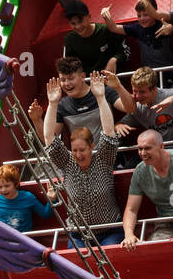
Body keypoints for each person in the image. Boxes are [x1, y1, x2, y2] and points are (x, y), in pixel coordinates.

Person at [42, 71, 124, 246]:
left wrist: (101, 98)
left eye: (82, 150)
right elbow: (49, 139)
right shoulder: (68, 164)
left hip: (110, 231)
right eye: (74, 151)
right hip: (80, 236)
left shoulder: (103, 160)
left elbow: (109, 133)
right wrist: (53, 103)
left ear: (92, 147)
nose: (78, 155)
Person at [45, 57, 132, 145]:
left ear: (83, 76)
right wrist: (37, 119)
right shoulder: (62, 105)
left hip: (108, 152)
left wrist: (118, 87)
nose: (67, 84)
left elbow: (130, 109)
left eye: (71, 78)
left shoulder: (102, 91)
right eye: (63, 80)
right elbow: (51, 139)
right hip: (80, 156)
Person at [116, 66, 173, 152]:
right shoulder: (137, 108)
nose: (137, 96)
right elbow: (119, 124)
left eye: (142, 92)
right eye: (135, 91)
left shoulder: (168, 95)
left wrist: (171, 99)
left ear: (154, 89)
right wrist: (119, 126)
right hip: (158, 152)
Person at [100, 0, 173, 73]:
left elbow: (171, 27)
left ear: (154, 13)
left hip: (169, 70)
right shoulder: (137, 28)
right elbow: (114, 28)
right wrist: (106, 16)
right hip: (149, 74)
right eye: (139, 15)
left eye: (145, 15)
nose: (142, 18)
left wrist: (171, 28)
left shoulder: (162, 24)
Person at [62, 1, 129, 75]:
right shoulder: (70, 40)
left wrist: (114, 59)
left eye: (80, 21)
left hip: (109, 78)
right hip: (87, 81)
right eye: (73, 23)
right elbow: (70, 67)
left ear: (89, 17)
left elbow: (125, 51)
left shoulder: (105, 31)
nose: (78, 27)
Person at [0, 163, 52, 232]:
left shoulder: (28, 197)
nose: (3, 190)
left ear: (15, 184)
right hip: (6, 239)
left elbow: (45, 214)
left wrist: (51, 200)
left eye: (7, 186)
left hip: (25, 239)